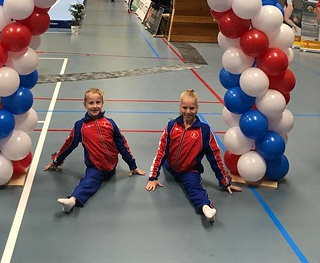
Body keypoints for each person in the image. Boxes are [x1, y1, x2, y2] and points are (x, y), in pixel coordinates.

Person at [146, 89, 241, 223]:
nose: (188, 111)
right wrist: (153, 177)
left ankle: (206, 208)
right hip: (170, 166)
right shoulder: (171, 125)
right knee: (164, 159)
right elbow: (161, 151)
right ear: (180, 107)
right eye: (185, 107)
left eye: (192, 108)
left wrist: (224, 181)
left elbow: (214, 158)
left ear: (197, 108)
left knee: (194, 188)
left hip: (189, 170)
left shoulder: (204, 131)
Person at [44, 87, 145, 213]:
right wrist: (56, 161)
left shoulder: (110, 123)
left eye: (98, 102)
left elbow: (122, 145)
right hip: (95, 166)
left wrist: (133, 166)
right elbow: (69, 145)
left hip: (111, 165)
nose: (95, 106)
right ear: (85, 104)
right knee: (88, 182)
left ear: (102, 103)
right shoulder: (80, 126)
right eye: (91, 103)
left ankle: (74, 199)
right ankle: (72, 200)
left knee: (93, 179)